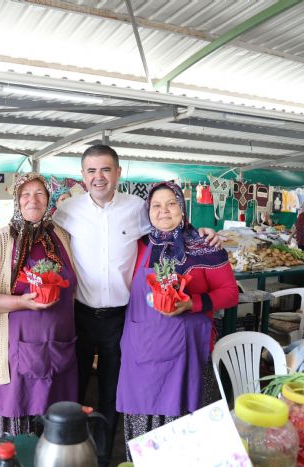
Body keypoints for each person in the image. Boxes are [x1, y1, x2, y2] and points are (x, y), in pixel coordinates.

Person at [52, 144, 219, 466]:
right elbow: (39, 231)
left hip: (121, 318)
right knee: (74, 388)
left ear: (118, 173)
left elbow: (169, 223)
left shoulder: (138, 208)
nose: (98, 177)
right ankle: (72, 453)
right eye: (91, 171)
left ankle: (102, 457)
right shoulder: (68, 210)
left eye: (105, 170)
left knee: (112, 393)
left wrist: (204, 233)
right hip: (80, 315)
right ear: (82, 176)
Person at [117, 182, 238, 459]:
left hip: (187, 356)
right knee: (145, 436)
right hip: (142, 354)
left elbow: (230, 294)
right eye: (156, 206)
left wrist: (192, 303)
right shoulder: (138, 246)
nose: (163, 211)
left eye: (171, 203)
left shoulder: (205, 246)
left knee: (187, 437)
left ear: (182, 208)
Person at [0, 173, 77, 438]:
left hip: (58, 349)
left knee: (55, 431)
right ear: (17, 200)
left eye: (40, 193)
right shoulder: (1, 241)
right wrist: (21, 302)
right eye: (26, 194)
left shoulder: (62, 237)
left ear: (48, 199)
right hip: (12, 355)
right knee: (17, 436)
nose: (33, 200)